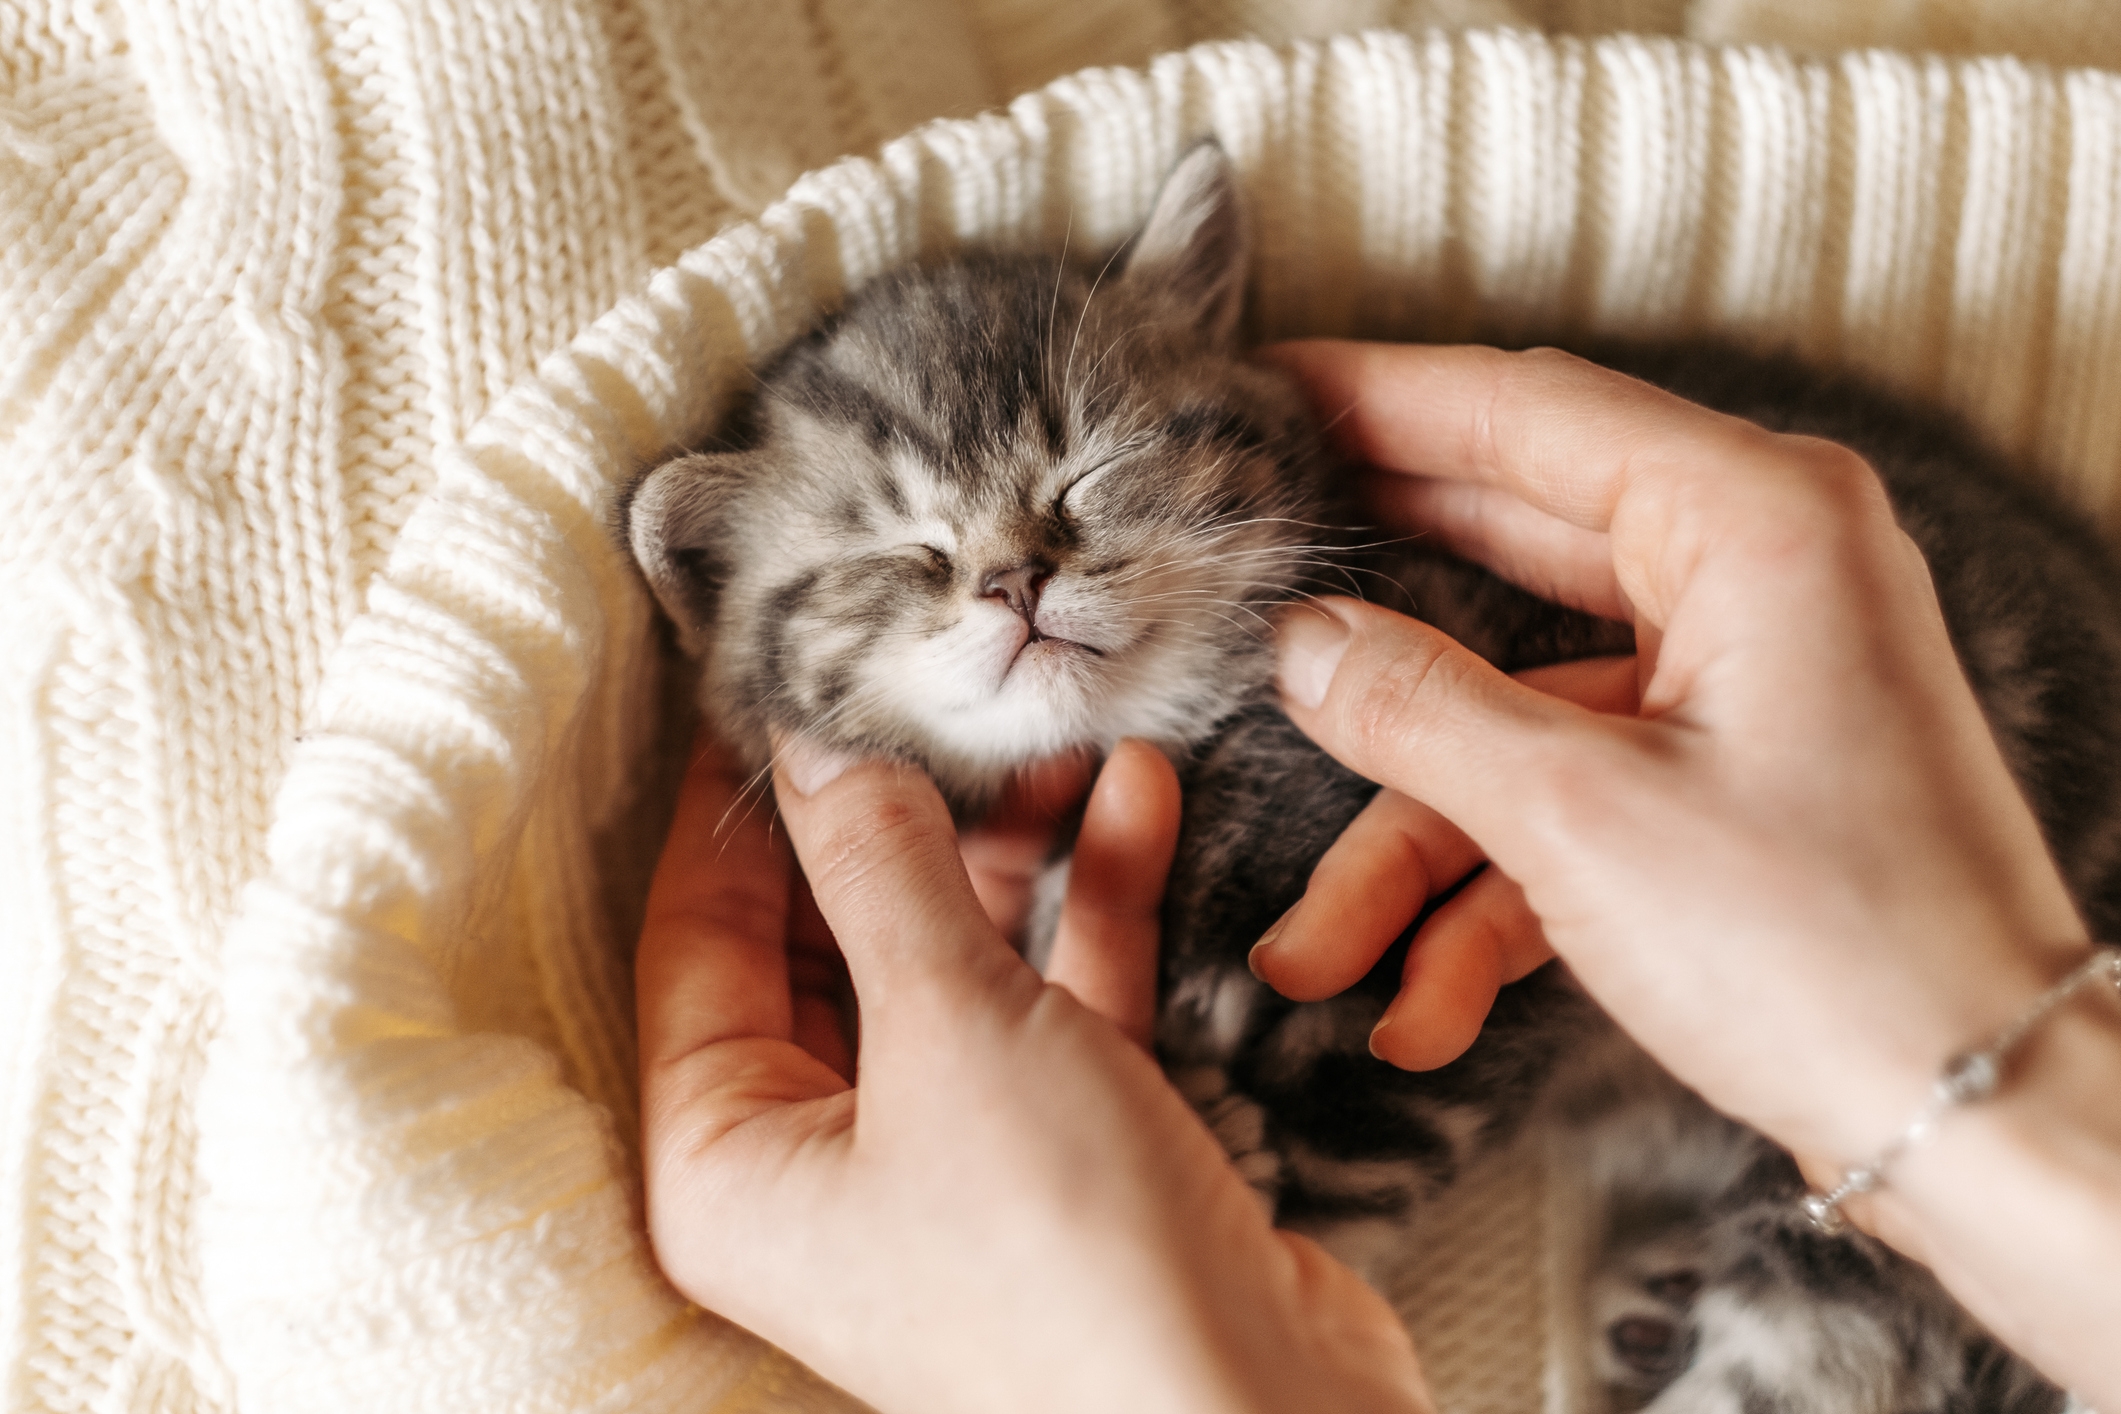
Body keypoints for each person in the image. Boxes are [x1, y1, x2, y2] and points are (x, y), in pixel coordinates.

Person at [635, 340, 2121, 1414]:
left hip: (2048, 896)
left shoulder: (1341, 677)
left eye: (1089, 483)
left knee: (1820, 1356)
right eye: (888, 560)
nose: (1013, 577)